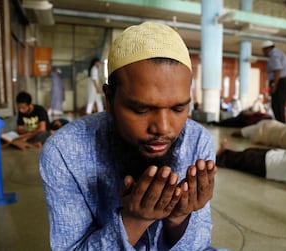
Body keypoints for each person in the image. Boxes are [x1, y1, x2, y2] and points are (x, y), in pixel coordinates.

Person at [39, 21, 218, 250]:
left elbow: (200, 244)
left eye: (178, 109)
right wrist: (134, 220)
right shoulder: (64, 152)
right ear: (109, 99)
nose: (163, 128)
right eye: (141, 109)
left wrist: (179, 218)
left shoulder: (197, 140)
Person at [262, 40, 286, 123]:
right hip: (284, 81)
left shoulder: (274, 56)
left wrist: (274, 85)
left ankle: (281, 125)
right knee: (280, 106)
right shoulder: (281, 54)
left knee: (276, 106)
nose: (263, 52)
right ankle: (281, 125)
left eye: (263, 50)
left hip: (279, 82)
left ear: (267, 49)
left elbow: (277, 70)